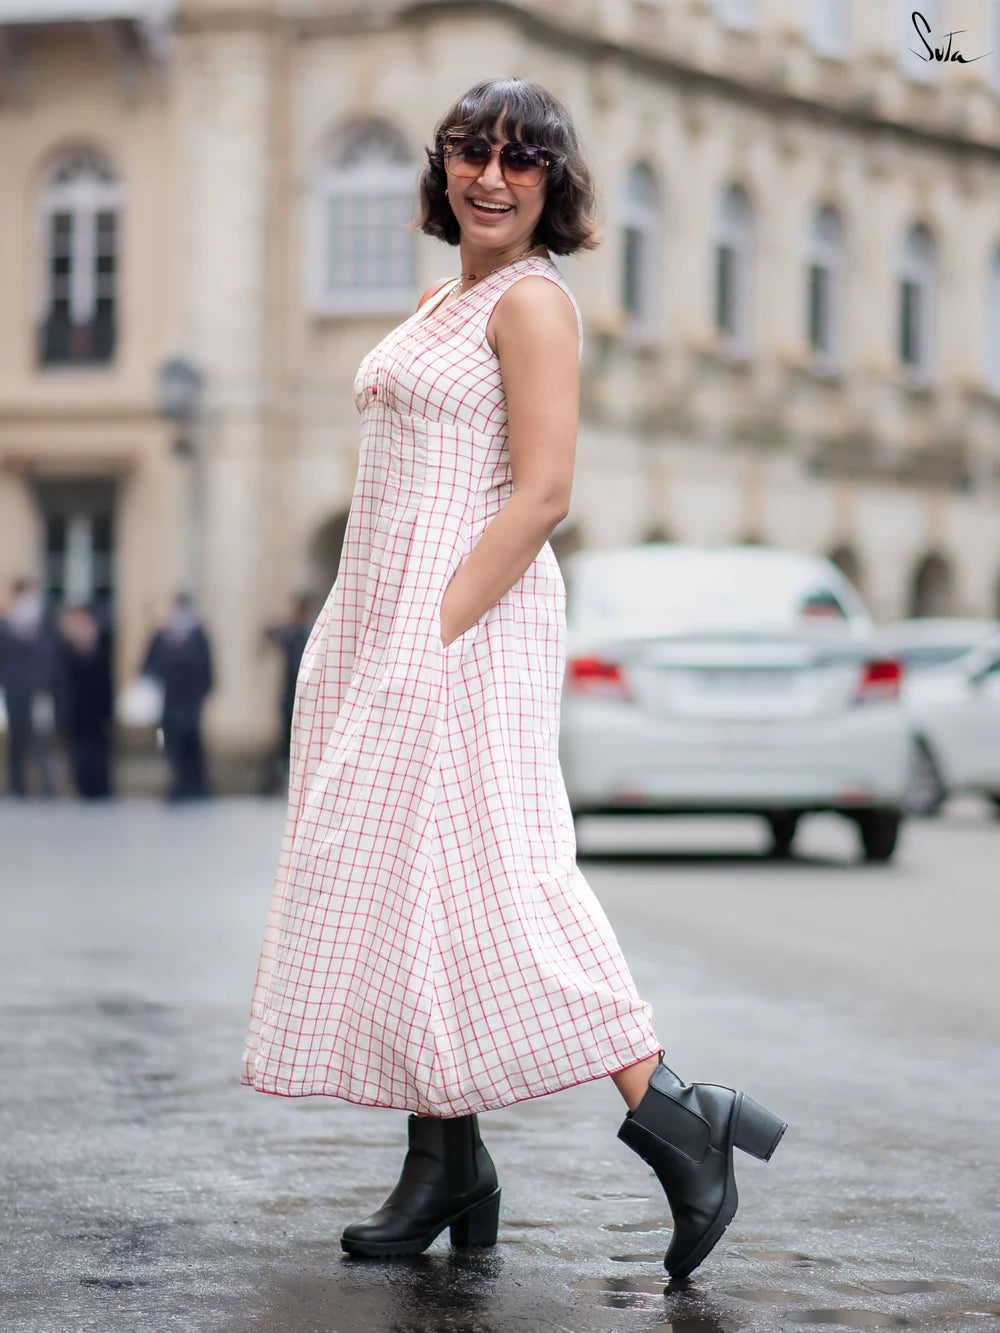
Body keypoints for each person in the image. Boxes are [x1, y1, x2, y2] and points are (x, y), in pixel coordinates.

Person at [241, 77, 787, 1280]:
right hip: (387, 617)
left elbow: (542, 494)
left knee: (507, 878)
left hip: (462, 626)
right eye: (468, 153)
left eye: (519, 159)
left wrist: (425, 632)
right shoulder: (449, 297)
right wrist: (371, 629)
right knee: (406, 883)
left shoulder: (533, 304)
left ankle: (681, 1118)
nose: (490, 176)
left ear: (554, 182)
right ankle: (447, 1161)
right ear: (439, 169)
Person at [141, 593, 213, 802]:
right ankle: (177, 784)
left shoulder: (196, 635)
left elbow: (206, 670)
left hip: (189, 703)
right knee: (168, 743)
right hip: (170, 703)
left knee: (191, 745)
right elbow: (148, 666)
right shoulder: (163, 635)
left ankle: (194, 786)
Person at [0, 577, 59, 798]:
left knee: (40, 738)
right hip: (15, 689)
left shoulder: (44, 622)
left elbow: (51, 656)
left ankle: (47, 786)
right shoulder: (6, 625)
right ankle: (17, 786)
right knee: (17, 738)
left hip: (39, 689)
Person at [56, 603, 114, 799]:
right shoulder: (64, 654)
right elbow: (60, 687)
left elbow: (107, 687)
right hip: (75, 720)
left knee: (99, 768)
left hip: (98, 721)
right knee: (80, 767)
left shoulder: (101, 650)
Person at [260, 595, 315, 795]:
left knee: (297, 743)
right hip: (290, 698)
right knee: (285, 742)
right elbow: (270, 633)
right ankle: (274, 783)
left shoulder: (308, 634)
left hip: (303, 696)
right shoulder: (292, 634)